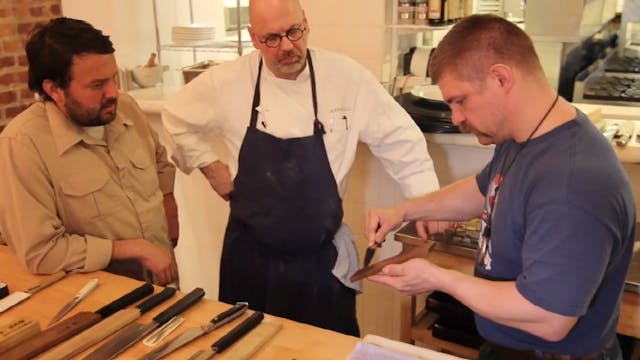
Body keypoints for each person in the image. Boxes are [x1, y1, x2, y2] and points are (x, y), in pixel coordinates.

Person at [162, 0, 439, 336]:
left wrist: (427, 202)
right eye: (272, 39)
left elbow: (401, 139)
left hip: (320, 258)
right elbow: (175, 117)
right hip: (250, 256)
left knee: (327, 350)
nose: (288, 47)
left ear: (305, 23)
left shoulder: (346, 77)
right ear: (253, 37)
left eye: (294, 32)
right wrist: (208, 164)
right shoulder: (228, 81)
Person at [366, 14, 635, 358]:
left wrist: (438, 278)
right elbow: (484, 191)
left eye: (459, 100)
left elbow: (548, 318)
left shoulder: (573, 180)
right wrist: (402, 210)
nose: (457, 118)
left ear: (500, 78)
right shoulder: (524, 136)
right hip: (508, 345)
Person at [0, 17, 179, 286]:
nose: (113, 92)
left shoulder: (126, 107)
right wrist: (133, 248)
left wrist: (169, 214)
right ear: (54, 89)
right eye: (97, 85)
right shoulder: (23, 144)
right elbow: (41, 252)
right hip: (99, 302)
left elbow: (160, 163)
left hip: (162, 284)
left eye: (114, 79)